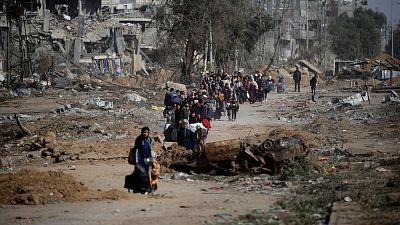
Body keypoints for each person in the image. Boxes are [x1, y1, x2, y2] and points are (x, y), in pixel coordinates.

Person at [132, 127, 153, 194]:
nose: (145, 134)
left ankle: (147, 189)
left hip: (147, 160)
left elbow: (150, 150)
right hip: (140, 160)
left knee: (147, 174)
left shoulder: (149, 139)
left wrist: (150, 160)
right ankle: (138, 189)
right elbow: (137, 151)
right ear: (142, 132)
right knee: (140, 174)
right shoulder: (138, 140)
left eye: (147, 132)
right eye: (144, 132)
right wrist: (137, 161)